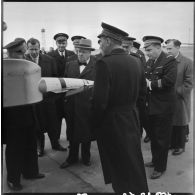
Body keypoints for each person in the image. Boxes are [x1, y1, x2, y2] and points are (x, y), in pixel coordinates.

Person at [91, 22, 148, 193]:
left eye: (101, 41)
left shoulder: (104, 64)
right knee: (133, 161)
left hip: (112, 122)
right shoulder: (136, 62)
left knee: (118, 165)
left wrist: (94, 124)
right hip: (131, 117)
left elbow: (99, 102)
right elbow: (142, 95)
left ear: (108, 40)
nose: (99, 45)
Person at [3, 38, 45, 191]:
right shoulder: (5, 68)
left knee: (30, 144)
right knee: (15, 148)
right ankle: (13, 179)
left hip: (28, 111)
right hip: (12, 117)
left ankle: (31, 172)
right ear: (11, 52)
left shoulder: (27, 66)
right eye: (20, 52)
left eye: (24, 51)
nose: (24, 54)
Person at [143, 36, 177, 179]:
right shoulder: (151, 61)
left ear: (158, 47)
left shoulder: (169, 60)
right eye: (146, 50)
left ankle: (160, 167)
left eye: (149, 50)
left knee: (162, 138)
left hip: (163, 107)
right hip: (151, 106)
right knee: (153, 137)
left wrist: (150, 84)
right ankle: (155, 160)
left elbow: (169, 81)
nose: (147, 53)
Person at [25, 38, 66, 156]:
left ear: (39, 48)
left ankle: (55, 144)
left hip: (49, 100)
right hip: (34, 101)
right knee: (37, 125)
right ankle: (40, 147)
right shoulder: (24, 61)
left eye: (36, 49)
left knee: (53, 123)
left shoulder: (50, 60)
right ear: (28, 49)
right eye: (31, 49)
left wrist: (54, 97)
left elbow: (55, 78)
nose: (34, 52)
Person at [60, 39, 96, 168]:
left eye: (84, 52)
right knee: (72, 133)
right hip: (72, 106)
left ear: (89, 53)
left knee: (86, 132)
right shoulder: (70, 64)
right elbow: (65, 84)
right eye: (79, 51)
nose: (80, 54)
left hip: (88, 106)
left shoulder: (97, 65)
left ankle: (86, 157)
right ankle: (72, 157)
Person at [47, 33, 75, 151]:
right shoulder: (50, 56)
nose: (61, 45)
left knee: (70, 117)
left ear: (66, 43)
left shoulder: (72, 54)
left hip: (69, 92)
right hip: (57, 93)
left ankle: (71, 139)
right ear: (56, 43)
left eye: (63, 42)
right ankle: (56, 141)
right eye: (59, 42)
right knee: (56, 119)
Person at [165, 39, 193, 155]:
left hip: (180, 98)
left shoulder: (187, 62)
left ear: (178, 48)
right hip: (168, 98)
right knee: (170, 121)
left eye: (170, 48)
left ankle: (180, 145)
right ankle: (172, 143)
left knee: (181, 122)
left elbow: (189, 83)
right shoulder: (167, 61)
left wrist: (178, 91)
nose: (168, 51)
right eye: (166, 48)